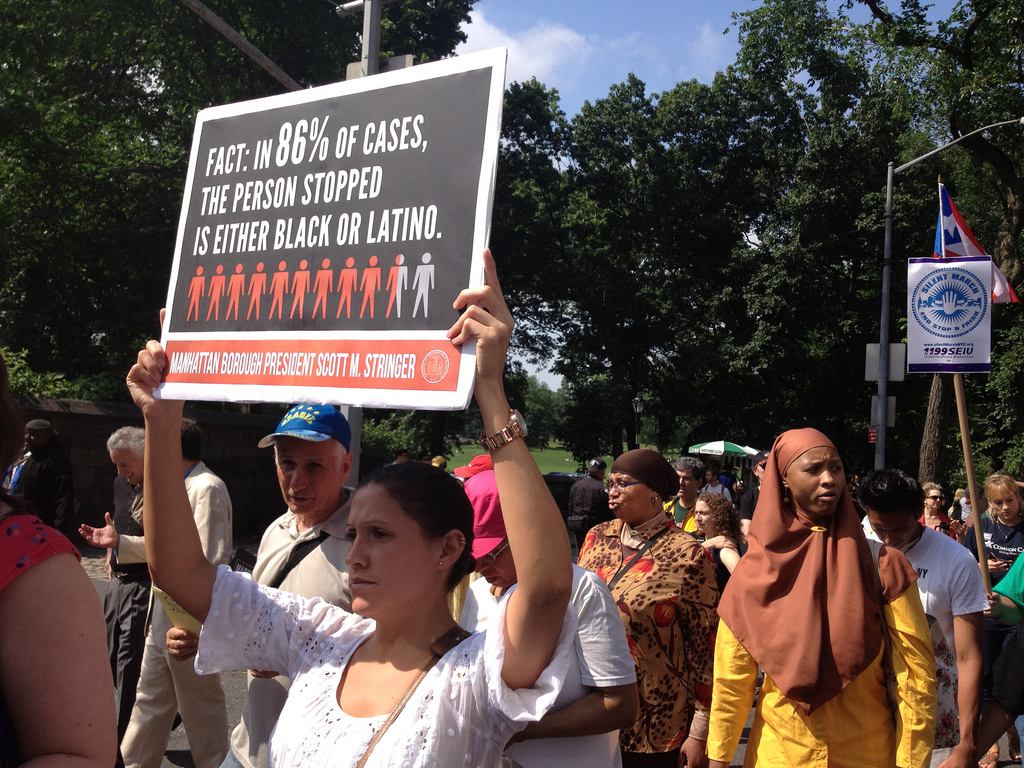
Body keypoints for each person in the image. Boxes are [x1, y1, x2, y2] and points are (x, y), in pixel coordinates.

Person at [125, 250, 575, 766]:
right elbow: (180, 573)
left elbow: (546, 591)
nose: (355, 555)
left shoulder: (474, 674)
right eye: (354, 534)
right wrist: (160, 423)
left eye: (380, 535)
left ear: (449, 547)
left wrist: (490, 389)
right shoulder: (320, 639)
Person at [707, 428, 936, 768]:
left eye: (836, 468)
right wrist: (719, 758)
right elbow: (732, 680)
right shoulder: (753, 573)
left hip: (866, 752)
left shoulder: (884, 564)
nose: (829, 479)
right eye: (813, 469)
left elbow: (915, 677)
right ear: (783, 480)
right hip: (780, 755)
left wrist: (911, 762)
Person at [460, 468, 637, 767]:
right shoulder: (478, 593)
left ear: (528, 534)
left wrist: (522, 731)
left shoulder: (581, 589)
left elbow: (620, 704)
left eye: (492, 552)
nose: (479, 565)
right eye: (473, 555)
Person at [223, 402, 357, 768]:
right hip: (249, 745)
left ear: (345, 465)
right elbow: (255, 616)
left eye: (313, 466)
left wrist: (287, 658)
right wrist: (207, 633)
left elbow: (385, 657)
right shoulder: (278, 529)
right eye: (287, 464)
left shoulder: (366, 545)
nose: (296, 482)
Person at [0, 351, 117, 768]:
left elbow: (76, 752)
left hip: (37, 527)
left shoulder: (35, 570)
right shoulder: (28, 462)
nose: (31, 442)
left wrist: (59, 532)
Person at [577, 448, 718, 768]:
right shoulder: (596, 537)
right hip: (590, 713)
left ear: (655, 492)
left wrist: (699, 732)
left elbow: (705, 648)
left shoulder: (688, 554)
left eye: (623, 483)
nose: (612, 491)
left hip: (655, 723)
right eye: (610, 483)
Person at [115, 418, 233, 768]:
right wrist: (118, 543)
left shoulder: (206, 487)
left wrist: (196, 624)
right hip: (162, 614)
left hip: (187, 620)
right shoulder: (175, 484)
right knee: (149, 700)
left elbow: (212, 555)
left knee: (201, 708)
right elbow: (161, 548)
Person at [857, 469, 987, 768]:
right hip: (865, 711)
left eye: (899, 529)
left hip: (932, 715)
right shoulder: (858, 549)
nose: (888, 538)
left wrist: (966, 743)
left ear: (919, 512)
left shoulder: (956, 561)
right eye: (879, 528)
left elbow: (968, 657)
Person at [83, 426, 151, 744]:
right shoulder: (120, 484)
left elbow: (163, 542)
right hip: (117, 580)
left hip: (143, 583)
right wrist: (111, 551)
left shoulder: (164, 487)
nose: (121, 473)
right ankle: (164, 710)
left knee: (128, 663)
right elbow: (117, 524)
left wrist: (121, 543)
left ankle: (121, 744)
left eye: (125, 465)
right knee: (110, 657)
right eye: (116, 466)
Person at [964, 473, 1024, 768]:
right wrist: (981, 566)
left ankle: (1013, 737)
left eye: (1010, 500)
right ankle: (992, 746)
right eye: (998, 502)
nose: (1005, 507)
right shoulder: (981, 527)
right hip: (991, 611)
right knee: (994, 683)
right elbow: (960, 562)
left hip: (1016, 623)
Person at [11, 418, 76, 538]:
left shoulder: (57, 462)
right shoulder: (30, 458)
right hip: (22, 523)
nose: (27, 438)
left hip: (43, 527)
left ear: (45, 437)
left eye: (32, 435)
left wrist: (59, 532)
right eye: (26, 434)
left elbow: (64, 499)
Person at [692, 492, 742, 591]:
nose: (697, 518)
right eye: (696, 512)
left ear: (718, 516)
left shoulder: (726, 550)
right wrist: (710, 544)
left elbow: (743, 580)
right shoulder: (694, 538)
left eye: (703, 513)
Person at [567, 458, 610, 549]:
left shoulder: (576, 485)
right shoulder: (603, 487)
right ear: (602, 472)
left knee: (580, 550)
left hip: (576, 524)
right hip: (595, 526)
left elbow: (570, 506)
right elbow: (608, 509)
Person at [666, 456, 704, 532]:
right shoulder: (665, 510)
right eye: (677, 477)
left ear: (699, 482)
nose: (680, 483)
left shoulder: (706, 514)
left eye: (686, 479)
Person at [737, 452, 767, 537]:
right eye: (765, 466)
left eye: (774, 466)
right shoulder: (748, 498)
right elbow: (746, 534)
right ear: (755, 471)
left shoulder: (786, 494)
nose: (771, 469)